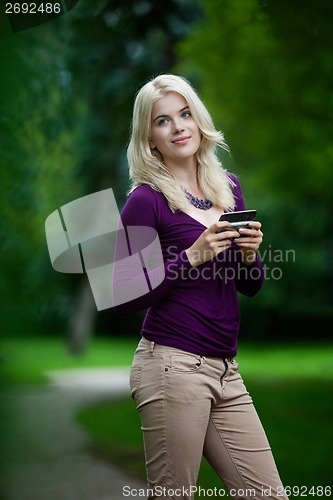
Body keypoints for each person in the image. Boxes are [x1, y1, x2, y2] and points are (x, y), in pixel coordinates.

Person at [113, 74, 288, 500]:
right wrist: (192, 255)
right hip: (172, 366)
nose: (179, 127)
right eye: (163, 121)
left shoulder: (226, 188)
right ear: (150, 138)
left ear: (198, 118)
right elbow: (119, 293)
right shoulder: (146, 199)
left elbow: (249, 287)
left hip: (227, 371)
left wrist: (249, 254)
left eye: (185, 113)